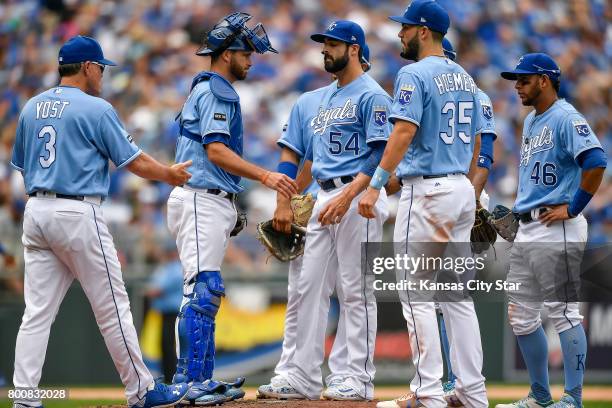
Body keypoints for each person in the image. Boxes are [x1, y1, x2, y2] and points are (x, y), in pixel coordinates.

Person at [10, 35, 190, 408]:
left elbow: (22, 168)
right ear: (88, 67)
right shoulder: (96, 108)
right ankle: (141, 391)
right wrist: (170, 174)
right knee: (112, 307)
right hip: (77, 211)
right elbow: (135, 161)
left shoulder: (30, 107)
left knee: (36, 314)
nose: (103, 74)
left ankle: (25, 399)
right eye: (101, 67)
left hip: (36, 211)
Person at [358, 1, 488, 406]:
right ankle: (472, 393)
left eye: (406, 27)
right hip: (460, 189)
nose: (400, 34)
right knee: (456, 297)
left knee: (417, 296)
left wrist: (376, 183)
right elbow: (478, 145)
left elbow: (402, 132)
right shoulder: (466, 78)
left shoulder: (414, 73)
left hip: (428, 193)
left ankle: (428, 393)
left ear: (425, 31)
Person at [167, 12, 297, 406]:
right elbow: (216, 150)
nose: (251, 60)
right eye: (246, 54)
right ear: (227, 54)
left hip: (207, 196)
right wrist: (265, 177)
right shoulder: (217, 91)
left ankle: (201, 378)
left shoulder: (209, 89)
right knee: (200, 290)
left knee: (206, 290)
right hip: (199, 196)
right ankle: (188, 381)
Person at [257, 20, 391, 401]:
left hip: (358, 196)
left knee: (355, 291)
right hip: (320, 199)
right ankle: (300, 375)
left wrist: (350, 195)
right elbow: (291, 153)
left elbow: (383, 153)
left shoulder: (372, 96)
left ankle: (355, 377)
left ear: (354, 49)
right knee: (306, 287)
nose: (324, 49)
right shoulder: (317, 99)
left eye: (332, 43)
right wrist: (284, 199)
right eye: (324, 43)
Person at [496, 53, 606, 408]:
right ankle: (540, 397)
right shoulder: (531, 120)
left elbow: (596, 161)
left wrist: (574, 206)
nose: (517, 86)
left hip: (556, 225)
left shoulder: (565, 117)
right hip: (531, 226)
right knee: (522, 316)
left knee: (563, 312)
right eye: (517, 80)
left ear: (544, 80)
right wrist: (516, 212)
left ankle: (572, 398)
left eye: (524, 79)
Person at [439, 36, 499, 406]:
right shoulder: (473, 93)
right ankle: (457, 384)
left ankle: (461, 384)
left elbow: (485, 154)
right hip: (456, 194)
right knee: (443, 300)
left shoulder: (471, 93)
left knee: (449, 297)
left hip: (461, 195)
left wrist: (472, 197)